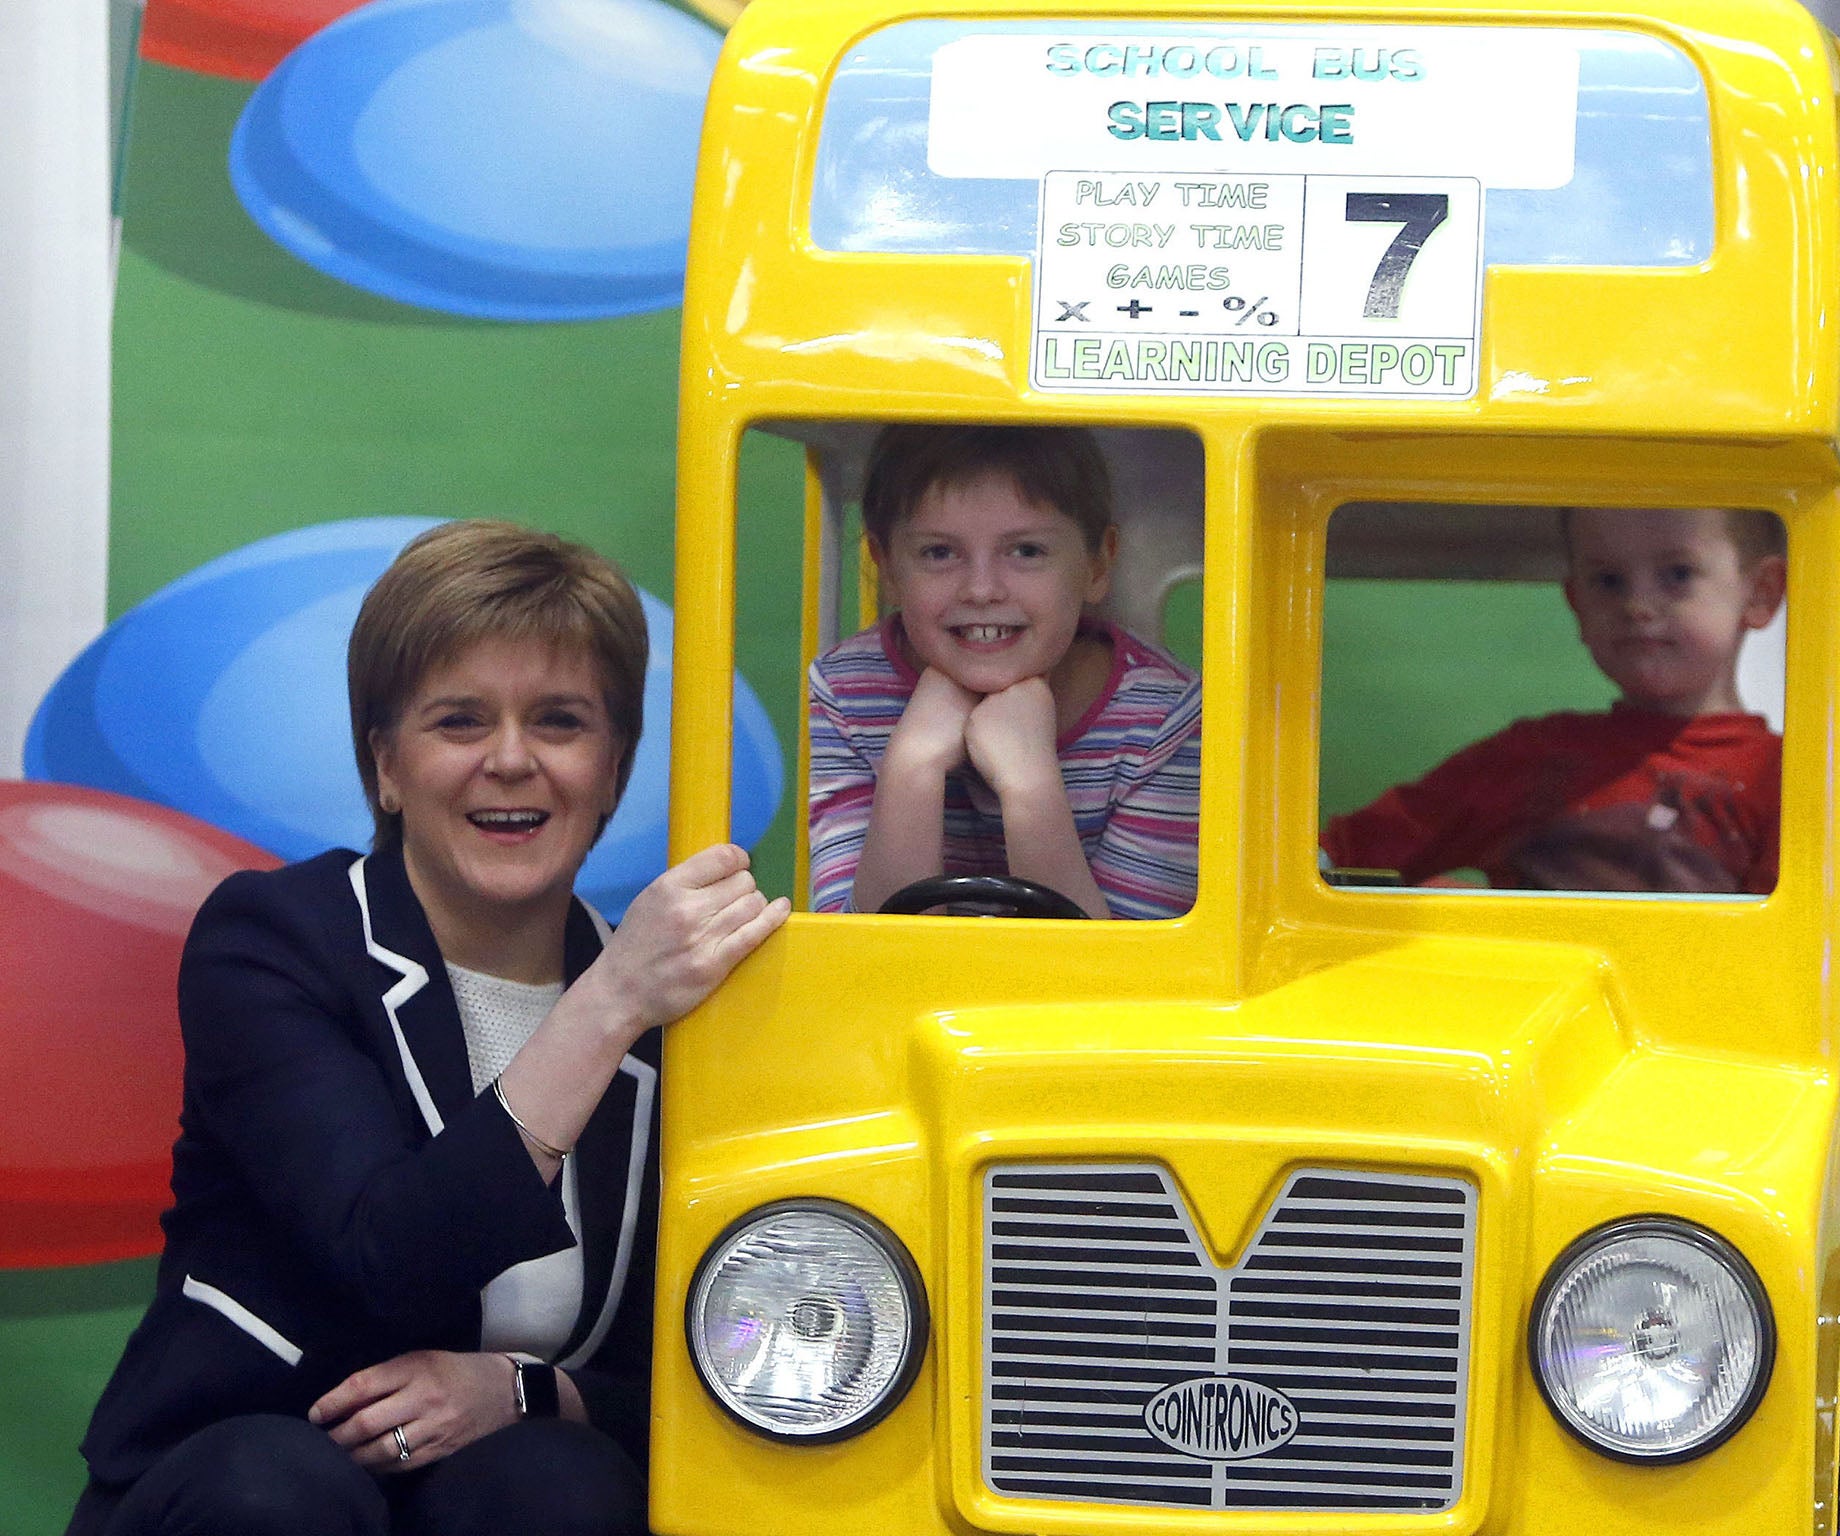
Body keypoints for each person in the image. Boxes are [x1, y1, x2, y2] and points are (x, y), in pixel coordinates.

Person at [67, 521, 789, 1536]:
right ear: (387, 767)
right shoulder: (272, 940)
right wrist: (609, 1002)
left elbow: (729, 1365)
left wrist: (529, 1391)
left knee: (561, 1487)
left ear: (615, 771)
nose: (509, 760)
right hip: (246, 1474)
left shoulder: (678, 1002)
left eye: (559, 721)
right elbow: (387, 1255)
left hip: (498, 1489)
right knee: (281, 1492)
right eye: (458, 721)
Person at [808, 424, 1200, 920]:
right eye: (939, 552)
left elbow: (1126, 986)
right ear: (887, 568)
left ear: (1098, 566)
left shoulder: (1165, 719)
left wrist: (1031, 787)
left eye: (1026, 551)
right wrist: (911, 770)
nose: (982, 589)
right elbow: (858, 971)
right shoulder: (846, 691)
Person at [1321, 505, 1788, 894]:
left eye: (1677, 574)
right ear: (1576, 602)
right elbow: (1336, 857)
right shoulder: (1530, 755)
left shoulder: (1790, 782)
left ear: (1762, 592)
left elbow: (1794, 959)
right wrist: (1448, 915)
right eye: (1608, 580)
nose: (1637, 605)